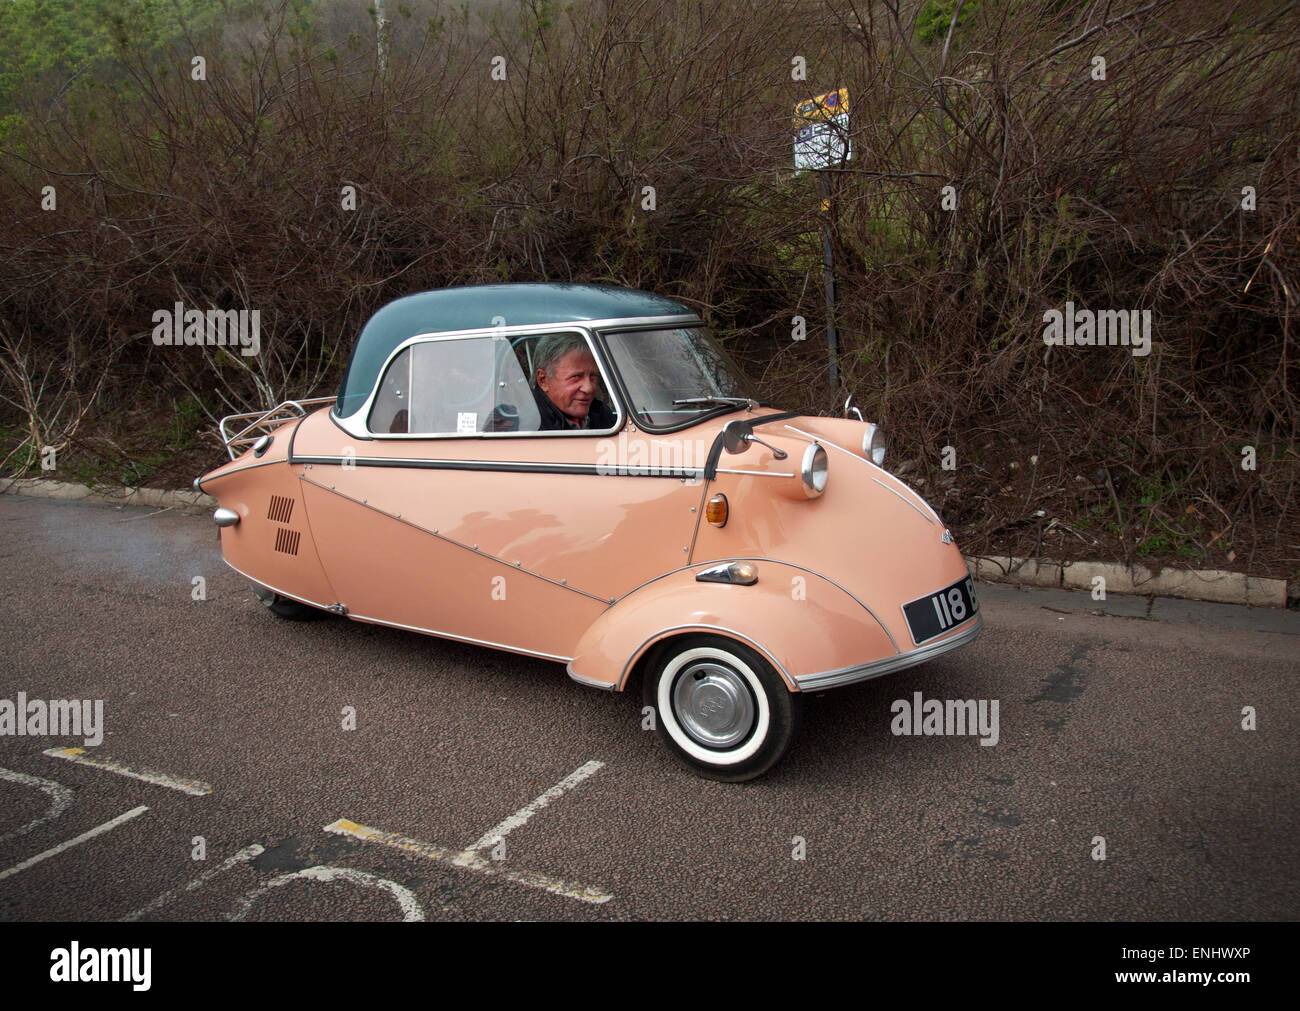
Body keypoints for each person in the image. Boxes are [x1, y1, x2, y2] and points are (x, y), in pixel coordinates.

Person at [531, 334, 616, 430]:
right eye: (576, 377)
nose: (588, 388)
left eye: (593, 376)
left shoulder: (600, 413)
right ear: (543, 380)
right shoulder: (530, 425)